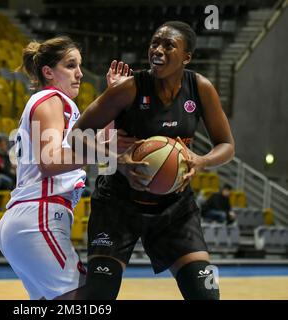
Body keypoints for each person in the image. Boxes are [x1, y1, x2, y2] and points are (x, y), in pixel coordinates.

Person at [71, 21, 235, 300]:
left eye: (168, 45)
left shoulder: (200, 88)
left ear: (187, 56)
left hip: (175, 209)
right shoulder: (130, 88)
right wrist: (118, 160)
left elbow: (227, 145)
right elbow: (76, 135)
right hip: (118, 205)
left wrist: (201, 161)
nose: (157, 50)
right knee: (99, 294)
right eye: (154, 44)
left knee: (206, 293)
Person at [0, 36, 89, 300]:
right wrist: (105, 152)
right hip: (40, 214)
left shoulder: (56, 103)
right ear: (48, 72)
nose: (80, 74)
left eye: (80, 66)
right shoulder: (51, 98)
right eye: (71, 65)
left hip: (30, 216)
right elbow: (50, 161)